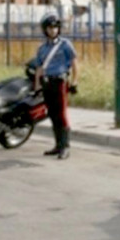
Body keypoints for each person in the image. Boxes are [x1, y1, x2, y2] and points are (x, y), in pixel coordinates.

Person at [33, 13, 78, 160]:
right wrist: (37, 85)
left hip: (60, 82)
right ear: (45, 30)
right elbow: (39, 69)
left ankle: (65, 147)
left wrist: (75, 81)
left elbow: (74, 63)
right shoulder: (42, 49)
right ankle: (57, 145)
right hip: (47, 83)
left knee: (61, 114)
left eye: (55, 27)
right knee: (52, 114)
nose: (52, 30)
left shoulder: (65, 45)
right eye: (49, 28)